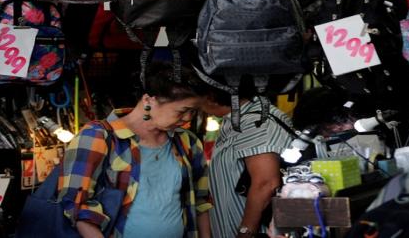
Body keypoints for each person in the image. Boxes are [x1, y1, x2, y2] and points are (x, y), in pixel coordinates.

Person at [58, 62, 212, 238]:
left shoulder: (188, 142)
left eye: (193, 112)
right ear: (148, 101)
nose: (187, 119)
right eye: (183, 111)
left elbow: (201, 202)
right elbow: (77, 205)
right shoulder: (98, 137)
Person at [195, 78, 294, 238]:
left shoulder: (256, 122)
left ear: (211, 96)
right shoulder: (236, 118)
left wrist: (245, 232)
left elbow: (266, 184)